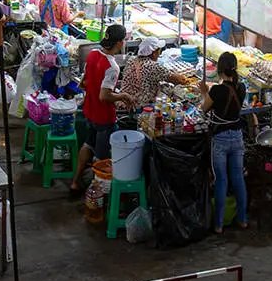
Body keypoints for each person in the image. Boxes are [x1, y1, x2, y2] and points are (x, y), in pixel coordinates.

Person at [71, 25, 134, 195]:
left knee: (87, 145)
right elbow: (104, 97)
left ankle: (75, 182)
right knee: (102, 158)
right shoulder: (112, 67)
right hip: (104, 117)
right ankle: (96, 196)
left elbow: (83, 83)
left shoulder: (92, 55)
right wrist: (122, 96)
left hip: (89, 111)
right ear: (120, 43)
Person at [202, 51, 248, 232]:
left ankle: (219, 224)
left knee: (221, 180)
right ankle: (243, 220)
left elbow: (204, 108)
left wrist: (204, 93)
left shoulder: (216, 90)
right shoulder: (242, 88)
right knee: (238, 178)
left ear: (220, 69)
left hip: (220, 138)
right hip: (237, 137)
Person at [119, 38, 192, 109]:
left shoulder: (131, 60)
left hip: (122, 100)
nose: (159, 54)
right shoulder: (153, 66)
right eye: (159, 51)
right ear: (154, 53)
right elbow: (177, 79)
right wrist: (186, 79)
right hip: (136, 105)